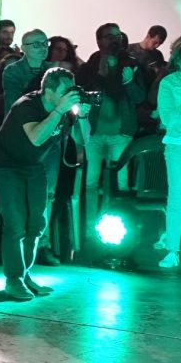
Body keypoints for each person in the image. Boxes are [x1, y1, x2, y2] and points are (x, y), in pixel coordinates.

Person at [0, 68, 87, 299]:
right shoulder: (27, 105)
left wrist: (82, 116)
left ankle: (24, 275)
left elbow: (80, 139)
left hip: (34, 166)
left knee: (37, 223)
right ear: (49, 90)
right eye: (66, 90)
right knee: (15, 224)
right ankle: (13, 279)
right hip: (7, 166)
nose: (70, 94)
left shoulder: (63, 108)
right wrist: (59, 110)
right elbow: (36, 138)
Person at [76, 22, 148, 254]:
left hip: (120, 134)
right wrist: (101, 74)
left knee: (120, 183)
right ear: (99, 40)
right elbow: (82, 93)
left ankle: (120, 230)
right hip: (94, 133)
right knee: (90, 183)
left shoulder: (131, 63)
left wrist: (128, 81)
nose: (115, 40)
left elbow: (140, 97)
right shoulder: (90, 65)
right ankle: (91, 230)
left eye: (118, 35)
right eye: (109, 36)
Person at [154, 33, 181, 270]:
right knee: (178, 199)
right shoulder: (169, 84)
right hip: (180, 148)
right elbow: (170, 123)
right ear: (179, 59)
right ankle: (173, 250)